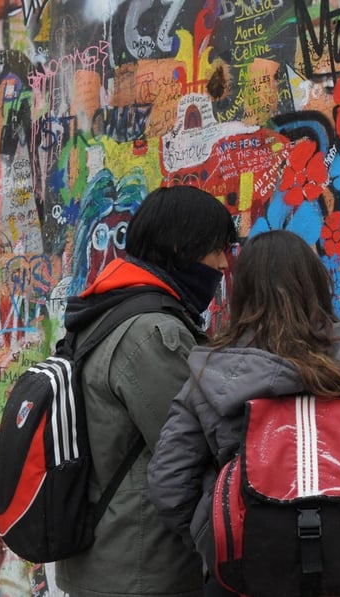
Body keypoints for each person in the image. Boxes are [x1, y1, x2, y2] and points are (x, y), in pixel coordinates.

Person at [147, 230, 340, 595]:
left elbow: (168, 486)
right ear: (317, 284)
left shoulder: (211, 374)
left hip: (244, 579)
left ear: (242, 292)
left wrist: (222, 540)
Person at [55, 185, 237, 597]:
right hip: (139, 570)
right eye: (216, 249)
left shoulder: (107, 311)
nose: (223, 263)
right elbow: (193, 446)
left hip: (109, 561)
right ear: (180, 247)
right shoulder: (152, 332)